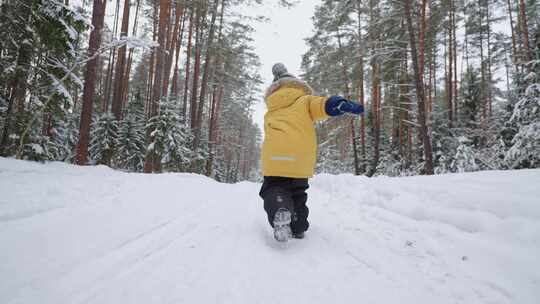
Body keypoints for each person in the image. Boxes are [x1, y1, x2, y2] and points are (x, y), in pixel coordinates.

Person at [259, 63, 364, 242]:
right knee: (298, 193)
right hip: (301, 160)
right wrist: (340, 104)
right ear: (297, 85)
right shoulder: (305, 100)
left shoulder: (271, 108)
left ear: (274, 89)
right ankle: (298, 226)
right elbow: (324, 104)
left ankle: (279, 209)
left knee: (275, 187)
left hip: (275, 159)